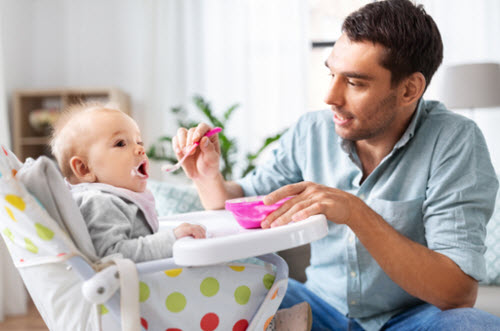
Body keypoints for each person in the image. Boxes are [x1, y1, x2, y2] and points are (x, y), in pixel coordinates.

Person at [172, 0, 500, 330]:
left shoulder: (455, 140)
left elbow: (458, 293)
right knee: (231, 286)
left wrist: (355, 212)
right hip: (319, 309)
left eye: (355, 83)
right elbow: (241, 202)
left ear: (409, 89)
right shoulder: (310, 131)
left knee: (473, 324)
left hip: (410, 318)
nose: (330, 96)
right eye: (331, 74)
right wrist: (207, 176)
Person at [50, 102, 206, 263]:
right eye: (121, 143)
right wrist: (171, 239)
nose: (140, 150)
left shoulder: (115, 199)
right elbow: (110, 256)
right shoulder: (100, 201)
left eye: (139, 142)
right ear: (84, 169)